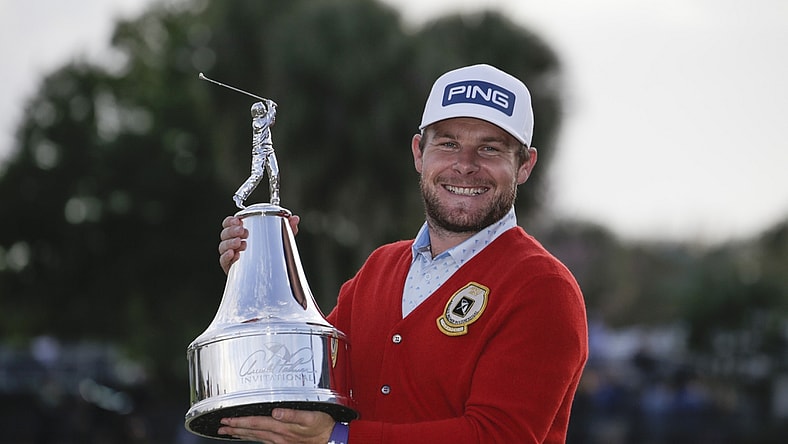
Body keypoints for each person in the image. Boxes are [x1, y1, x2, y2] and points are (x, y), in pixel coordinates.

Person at [216, 64, 588, 443]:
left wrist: (340, 438)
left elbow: (498, 436)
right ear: (418, 153)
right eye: (448, 144)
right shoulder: (379, 268)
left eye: (489, 149)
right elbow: (302, 379)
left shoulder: (543, 288)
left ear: (524, 166)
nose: (465, 165)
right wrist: (263, 277)